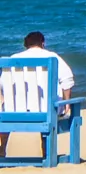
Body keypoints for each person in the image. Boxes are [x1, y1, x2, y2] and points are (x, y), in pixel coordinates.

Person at [0, 31, 73, 161]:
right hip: (46, 112)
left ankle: (2, 149)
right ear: (43, 43)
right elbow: (67, 80)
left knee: (6, 109)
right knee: (48, 106)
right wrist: (67, 104)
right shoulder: (52, 57)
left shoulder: (13, 58)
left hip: (13, 113)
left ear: (25, 45)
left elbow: (3, 84)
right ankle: (46, 152)